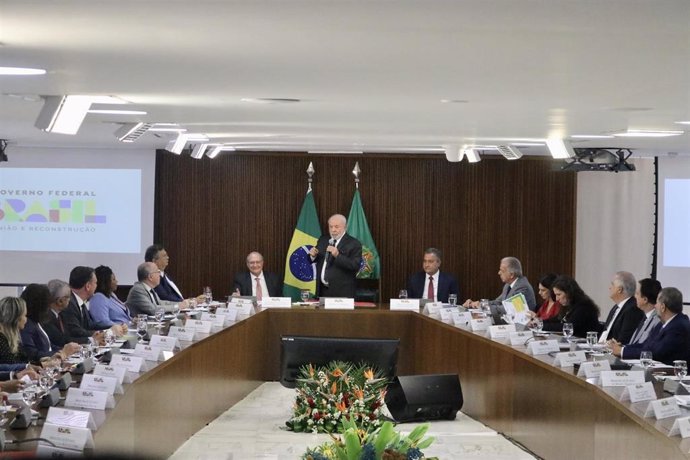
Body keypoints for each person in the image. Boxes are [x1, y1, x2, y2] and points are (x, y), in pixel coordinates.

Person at [611, 287, 690, 365]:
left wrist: (622, 352)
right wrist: (623, 348)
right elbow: (646, 345)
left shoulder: (679, 326)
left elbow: (656, 353)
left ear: (663, 307)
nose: (655, 306)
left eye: (657, 303)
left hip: (672, 374)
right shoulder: (663, 323)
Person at [19, 284, 80, 362]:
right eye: (47, 303)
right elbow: (32, 354)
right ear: (40, 304)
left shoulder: (36, 321)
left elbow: (49, 346)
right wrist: (63, 352)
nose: (49, 306)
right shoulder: (26, 325)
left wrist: (65, 350)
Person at [308, 214, 362, 299]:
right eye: (331, 227)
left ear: (345, 227)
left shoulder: (354, 243)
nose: (333, 230)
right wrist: (312, 256)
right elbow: (316, 259)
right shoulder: (323, 239)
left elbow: (355, 266)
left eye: (337, 227)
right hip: (322, 291)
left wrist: (337, 255)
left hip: (343, 293)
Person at [61, 266, 119, 345]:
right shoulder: (69, 303)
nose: (96, 286)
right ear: (88, 286)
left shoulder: (79, 301)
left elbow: (90, 325)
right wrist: (107, 332)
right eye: (95, 283)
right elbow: (76, 331)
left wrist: (112, 327)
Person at [463, 257, 537, 313]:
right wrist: (478, 304)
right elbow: (498, 302)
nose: (499, 273)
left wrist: (483, 307)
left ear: (511, 274)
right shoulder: (508, 285)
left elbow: (508, 309)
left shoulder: (522, 287)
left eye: (502, 270)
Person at [597, 271, 643, 344]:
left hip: (613, 352)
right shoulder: (616, 307)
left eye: (612, 285)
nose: (609, 287)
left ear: (620, 289)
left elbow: (624, 340)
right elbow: (606, 331)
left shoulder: (632, 309)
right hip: (601, 348)